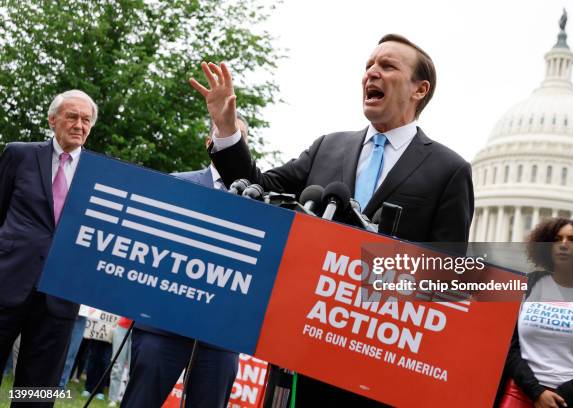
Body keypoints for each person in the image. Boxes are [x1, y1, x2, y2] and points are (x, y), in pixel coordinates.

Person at [190, 34, 474, 405]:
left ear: (420, 89)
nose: (371, 73)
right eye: (368, 65)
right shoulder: (329, 146)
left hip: (380, 363)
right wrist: (227, 129)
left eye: (387, 66)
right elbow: (257, 189)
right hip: (301, 350)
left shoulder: (449, 170)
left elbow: (446, 276)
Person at [119, 116, 248, 408]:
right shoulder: (178, 183)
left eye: (239, 140)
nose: (232, 145)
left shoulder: (258, 200)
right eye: (225, 136)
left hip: (220, 335)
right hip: (162, 325)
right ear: (209, 144)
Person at [0, 90, 97, 398]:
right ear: (52, 120)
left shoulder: (101, 174)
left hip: (60, 294)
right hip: (7, 281)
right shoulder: (19, 154)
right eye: (72, 117)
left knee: (37, 390)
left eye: (86, 120)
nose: (79, 125)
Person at [498, 218, 573, 408]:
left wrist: (561, 397)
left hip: (572, 400)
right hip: (520, 394)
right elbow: (506, 345)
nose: (563, 245)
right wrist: (537, 392)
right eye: (557, 239)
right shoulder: (525, 287)